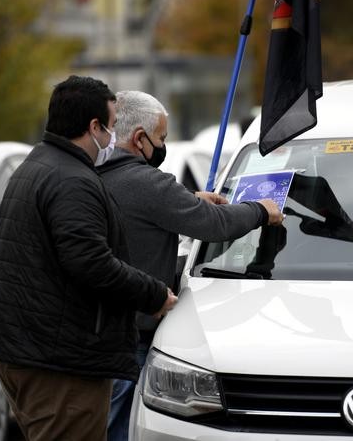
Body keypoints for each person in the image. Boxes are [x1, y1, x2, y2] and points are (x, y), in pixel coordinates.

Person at [0, 77, 178, 441]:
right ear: (93, 127)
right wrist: (154, 294)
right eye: (112, 127)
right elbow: (91, 261)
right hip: (59, 361)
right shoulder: (71, 180)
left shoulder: (38, 166)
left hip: (27, 350)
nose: (115, 137)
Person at [98, 91, 283, 441]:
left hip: (98, 336)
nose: (164, 144)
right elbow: (214, 225)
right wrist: (261, 210)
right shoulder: (149, 183)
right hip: (131, 340)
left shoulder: (96, 176)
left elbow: (146, 213)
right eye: (162, 138)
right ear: (140, 138)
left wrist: (191, 200)